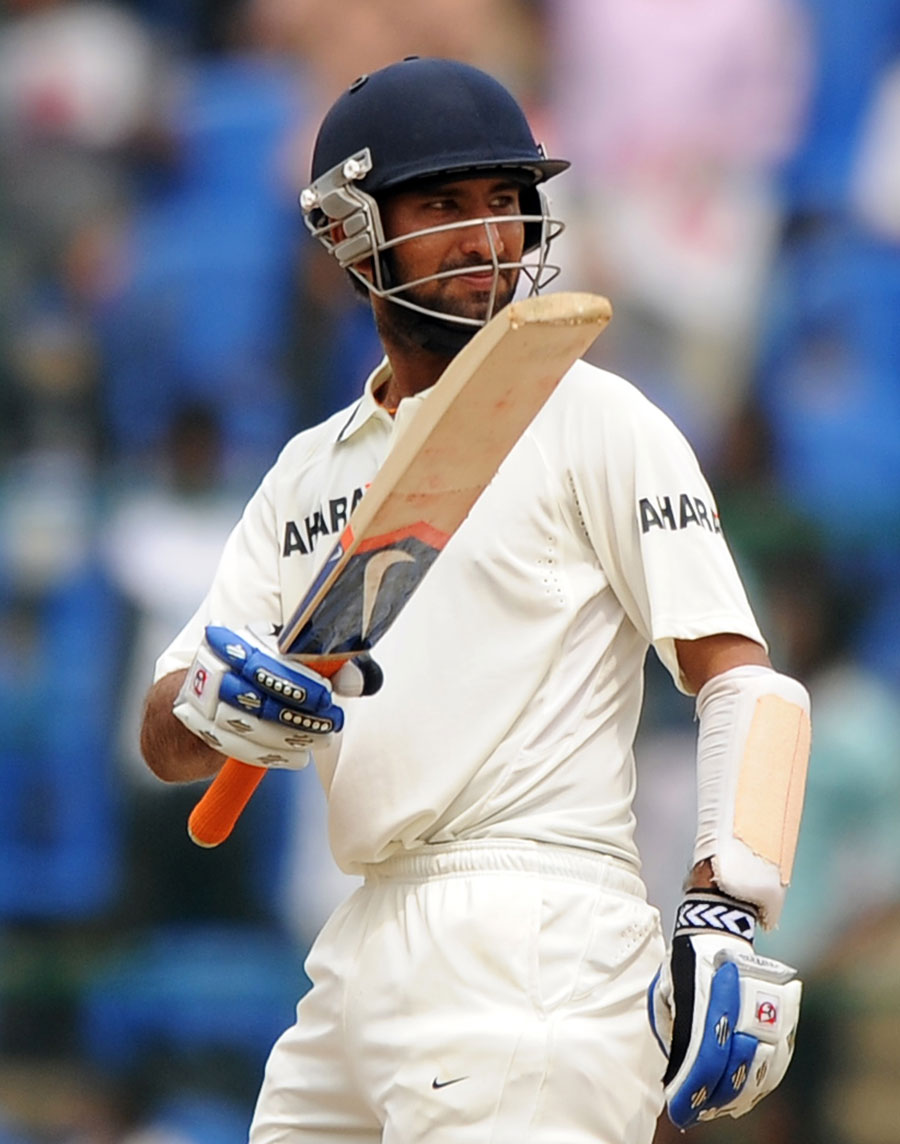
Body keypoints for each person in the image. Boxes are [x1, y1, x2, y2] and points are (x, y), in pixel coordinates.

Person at [140, 57, 812, 1144]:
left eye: (506, 200)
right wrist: (216, 703)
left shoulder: (597, 417)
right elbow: (166, 735)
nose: (488, 236)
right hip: (359, 937)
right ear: (352, 234)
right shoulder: (307, 473)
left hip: (537, 933)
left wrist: (723, 911)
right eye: (444, 205)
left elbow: (743, 680)